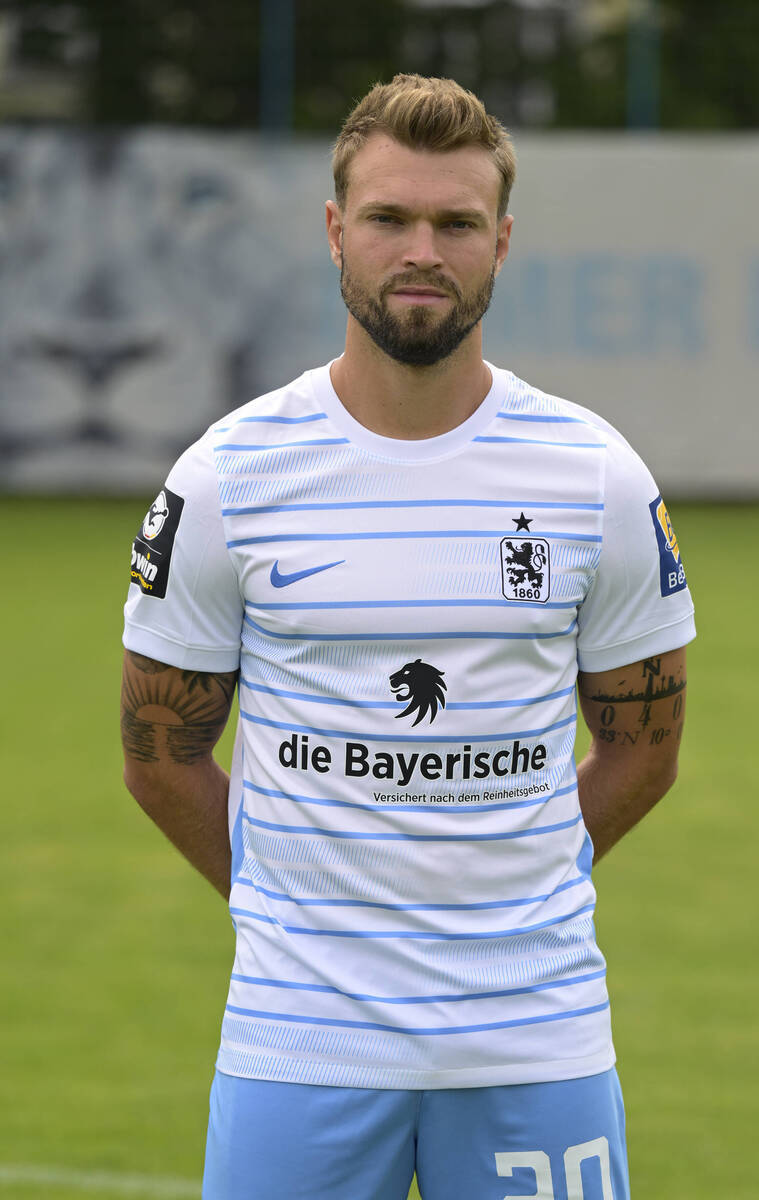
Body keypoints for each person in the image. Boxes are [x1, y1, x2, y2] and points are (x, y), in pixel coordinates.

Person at [121, 74, 695, 1200]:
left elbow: (646, 745)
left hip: (535, 1033)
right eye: (388, 218)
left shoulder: (592, 477)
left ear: (500, 242)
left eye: (454, 222)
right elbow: (159, 754)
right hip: (299, 1039)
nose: (420, 248)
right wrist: (291, 913)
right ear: (336, 231)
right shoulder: (229, 476)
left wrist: (524, 883)